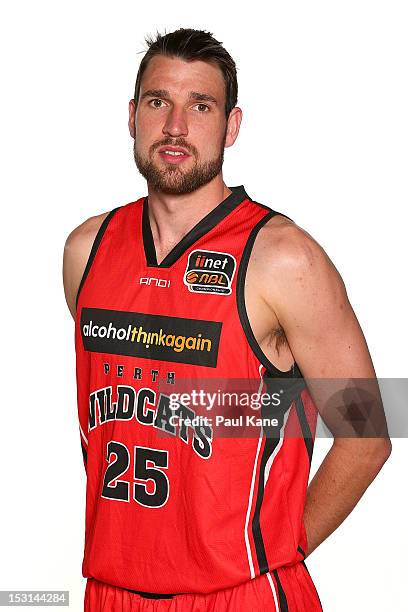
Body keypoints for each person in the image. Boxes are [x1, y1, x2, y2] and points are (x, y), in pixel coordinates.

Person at [63, 28, 391, 612]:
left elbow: (368, 434)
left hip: (237, 595)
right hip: (111, 590)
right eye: (159, 101)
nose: (176, 126)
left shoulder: (285, 257)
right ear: (132, 116)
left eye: (201, 106)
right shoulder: (87, 249)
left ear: (232, 126)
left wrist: (276, 551)